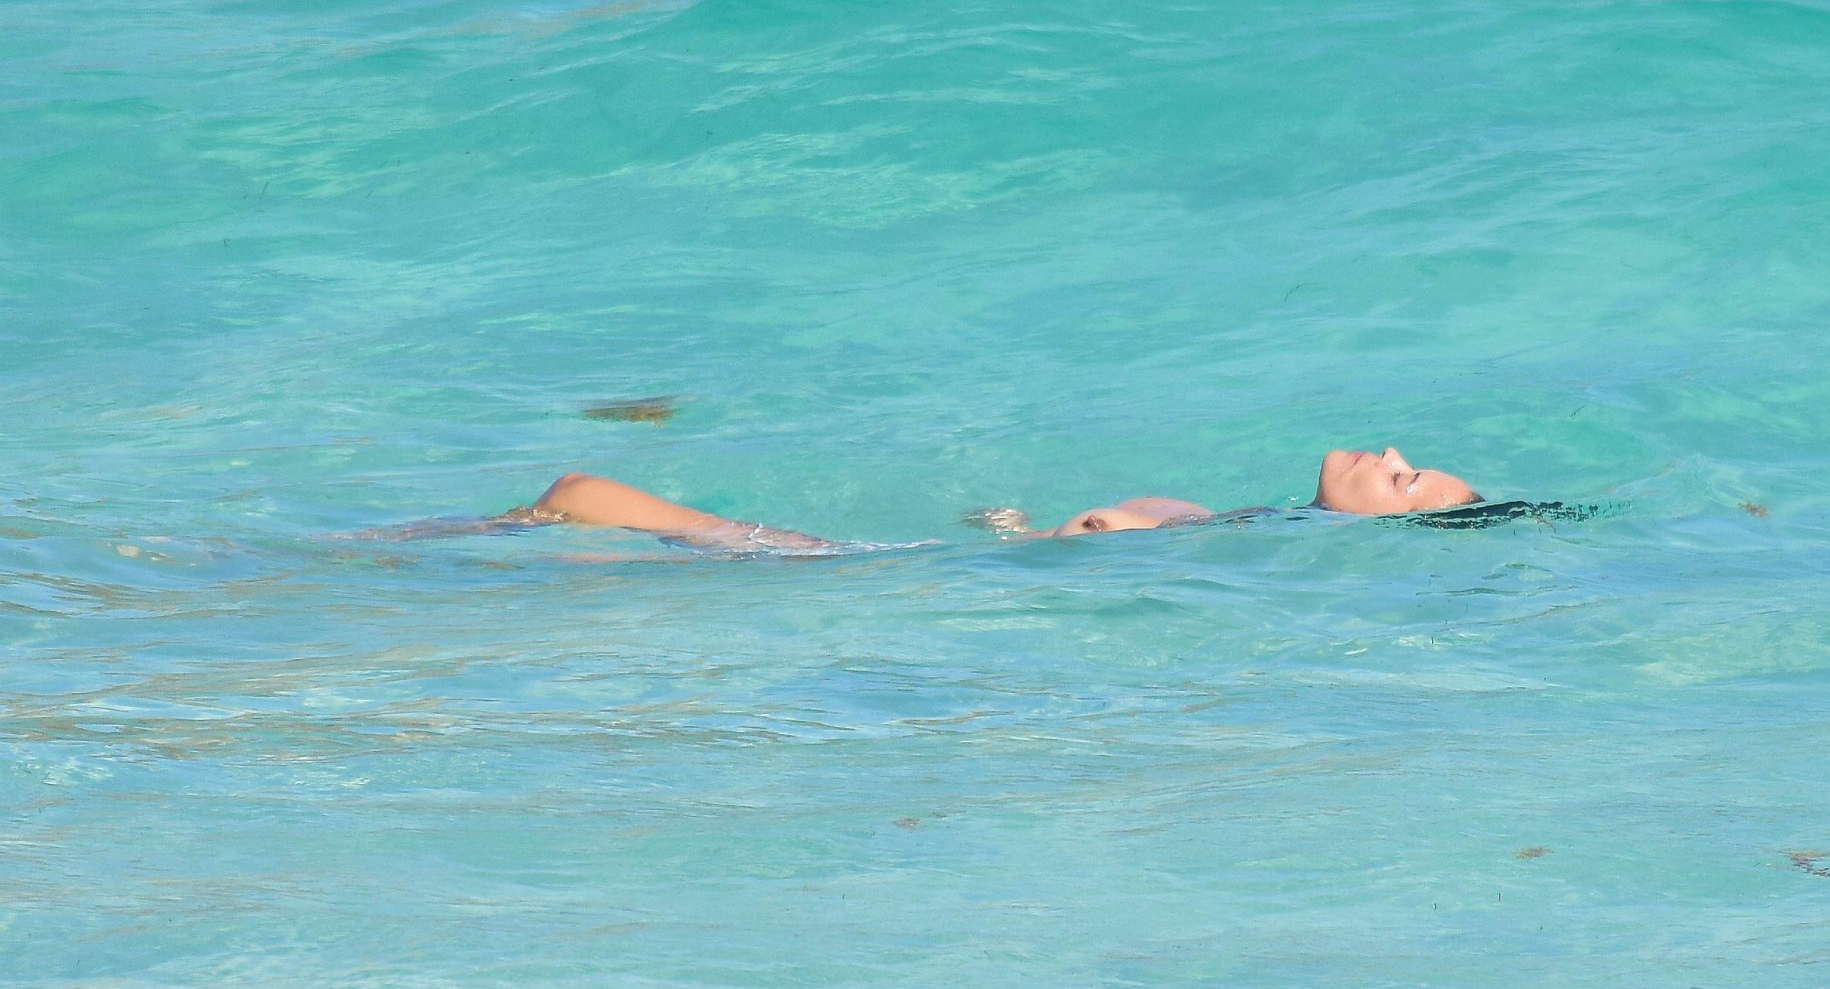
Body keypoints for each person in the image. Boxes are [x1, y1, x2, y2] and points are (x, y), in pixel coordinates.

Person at [519, 446, 1484, 546]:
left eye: (1404, 479)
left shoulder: (1268, 552)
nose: (1392, 453)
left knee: (583, 492)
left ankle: (479, 535)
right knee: (582, 498)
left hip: (894, 579)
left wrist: (1105, 530)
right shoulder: (1255, 528)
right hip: (958, 574)